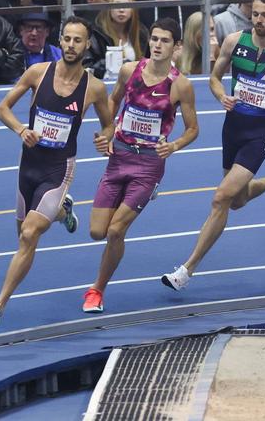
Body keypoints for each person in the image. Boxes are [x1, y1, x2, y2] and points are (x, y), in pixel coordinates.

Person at [161, 0, 265, 290]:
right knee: (238, 200)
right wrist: (220, 95)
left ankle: (186, 271)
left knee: (221, 198)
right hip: (233, 129)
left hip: (261, 132)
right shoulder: (234, 41)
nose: (259, 20)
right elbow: (214, 77)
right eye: (255, 14)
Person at [0, 16, 114, 331]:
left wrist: (105, 136)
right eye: (66, 38)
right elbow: (3, 108)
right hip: (28, 167)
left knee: (28, 235)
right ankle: (63, 210)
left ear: (87, 43)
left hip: (57, 169)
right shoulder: (38, 73)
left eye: (78, 40)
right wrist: (20, 129)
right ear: (59, 39)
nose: (70, 45)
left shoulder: (93, 88)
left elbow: (109, 123)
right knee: (23, 234)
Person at [82, 18, 198, 313]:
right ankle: (136, 196)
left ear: (177, 46)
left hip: (148, 165)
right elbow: (112, 102)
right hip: (119, 157)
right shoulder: (129, 70)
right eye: (154, 39)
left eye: (165, 41)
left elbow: (193, 129)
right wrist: (107, 132)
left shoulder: (180, 85)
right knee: (97, 232)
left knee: (115, 231)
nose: (158, 45)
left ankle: (97, 289)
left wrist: (173, 146)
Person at [90, 0, 149, 78]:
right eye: (116, 5)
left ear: (133, 10)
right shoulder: (97, 34)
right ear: (109, 9)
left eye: (126, 5)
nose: (121, 10)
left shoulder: (141, 34)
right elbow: (90, 67)